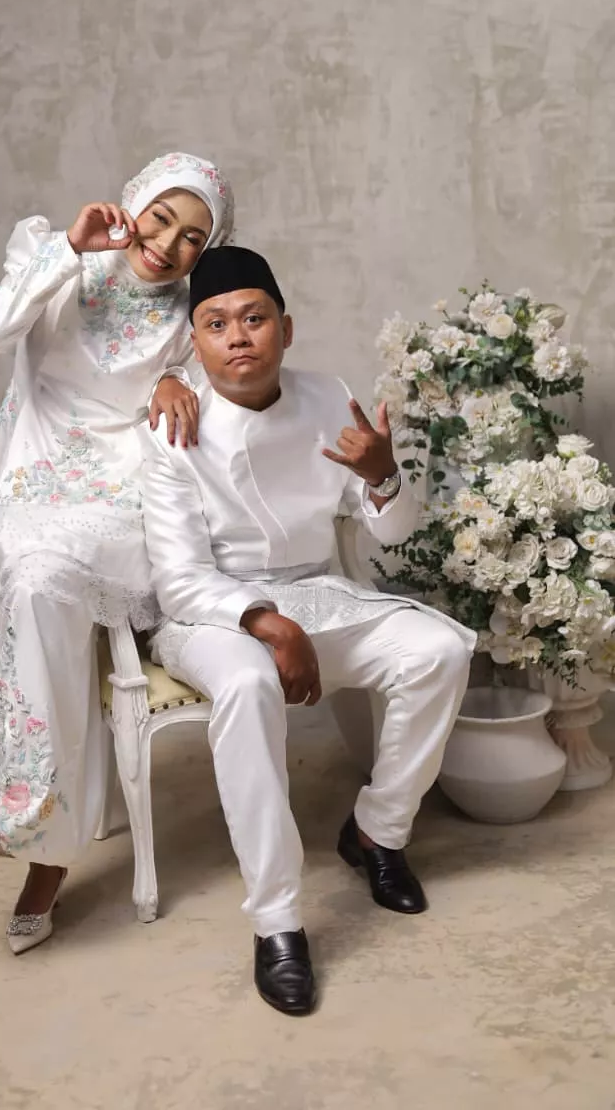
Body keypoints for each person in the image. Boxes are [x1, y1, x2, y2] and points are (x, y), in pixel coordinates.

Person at [139, 246, 475, 1016]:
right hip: (209, 613)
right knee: (248, 680)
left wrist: (383, 474)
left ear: (284, 330)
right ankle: (277, 923)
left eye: (253, 318)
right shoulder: (174, 425)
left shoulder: (330, 397)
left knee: (437, 650)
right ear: (195, 344)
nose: (237, 336)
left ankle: (377, 833)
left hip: (315, 593)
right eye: (216, 324)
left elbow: (391, 533)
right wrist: (264, 624)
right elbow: (178, 581)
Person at [0, 152, 235, 955]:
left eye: (192, 237)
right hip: (34, 482)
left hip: (118, 499)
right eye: (160, 219)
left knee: (44, 593)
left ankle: (18, 821)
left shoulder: (193, 316)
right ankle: (32, 830)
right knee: (38, 594)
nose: (168, 245)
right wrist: (67, 250)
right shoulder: (59, 256)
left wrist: (179, 382)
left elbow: (217, 398)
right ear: (132, 203)